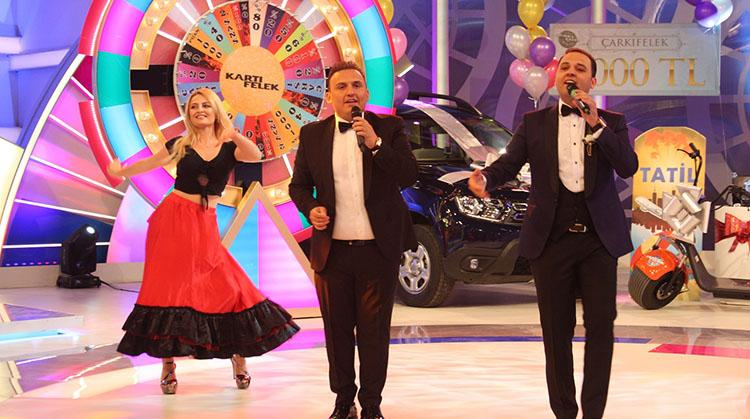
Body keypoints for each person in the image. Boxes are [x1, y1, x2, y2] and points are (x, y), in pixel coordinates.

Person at [468, 48, 639, 419]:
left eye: (580, 69)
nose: (571, 73)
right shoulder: (534, 123)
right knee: (556, 332)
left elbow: (628, 166)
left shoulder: (612, 121)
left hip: (598, 241)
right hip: (550, 240)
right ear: (555, 77)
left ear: (592, 81)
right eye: (565, 67)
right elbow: (509, 164)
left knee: (600, 329)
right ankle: (564, 412)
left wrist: (596, 124)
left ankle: (593, 413)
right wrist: (486, 179)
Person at [111, 88, 300, 394]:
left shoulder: (229, 145)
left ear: (215, 111)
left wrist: (233, 134)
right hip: (172, 220)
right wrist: (121, 171)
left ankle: (238, 356)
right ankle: (168, 365)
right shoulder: (180, 144)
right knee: (169, 290)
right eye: (194, 106)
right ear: (188, 114)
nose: (199, 110)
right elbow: (149, 163)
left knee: (228, 286)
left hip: (204, 221)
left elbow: (254, 155)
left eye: (205, 106)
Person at [289, 61, 417, 419]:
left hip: (378, 250)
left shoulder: (389, 128)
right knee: (337, 333)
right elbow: (298, 186)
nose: (350, 93)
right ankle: (343, 400)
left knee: (374, 333)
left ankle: (372, 404)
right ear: (330, 96)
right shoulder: (312, 134)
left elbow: (409, 174)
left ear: (367, 93)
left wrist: (376, 144)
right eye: (342, 87)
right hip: (333, 252)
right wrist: (311, 208)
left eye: (356, 86)